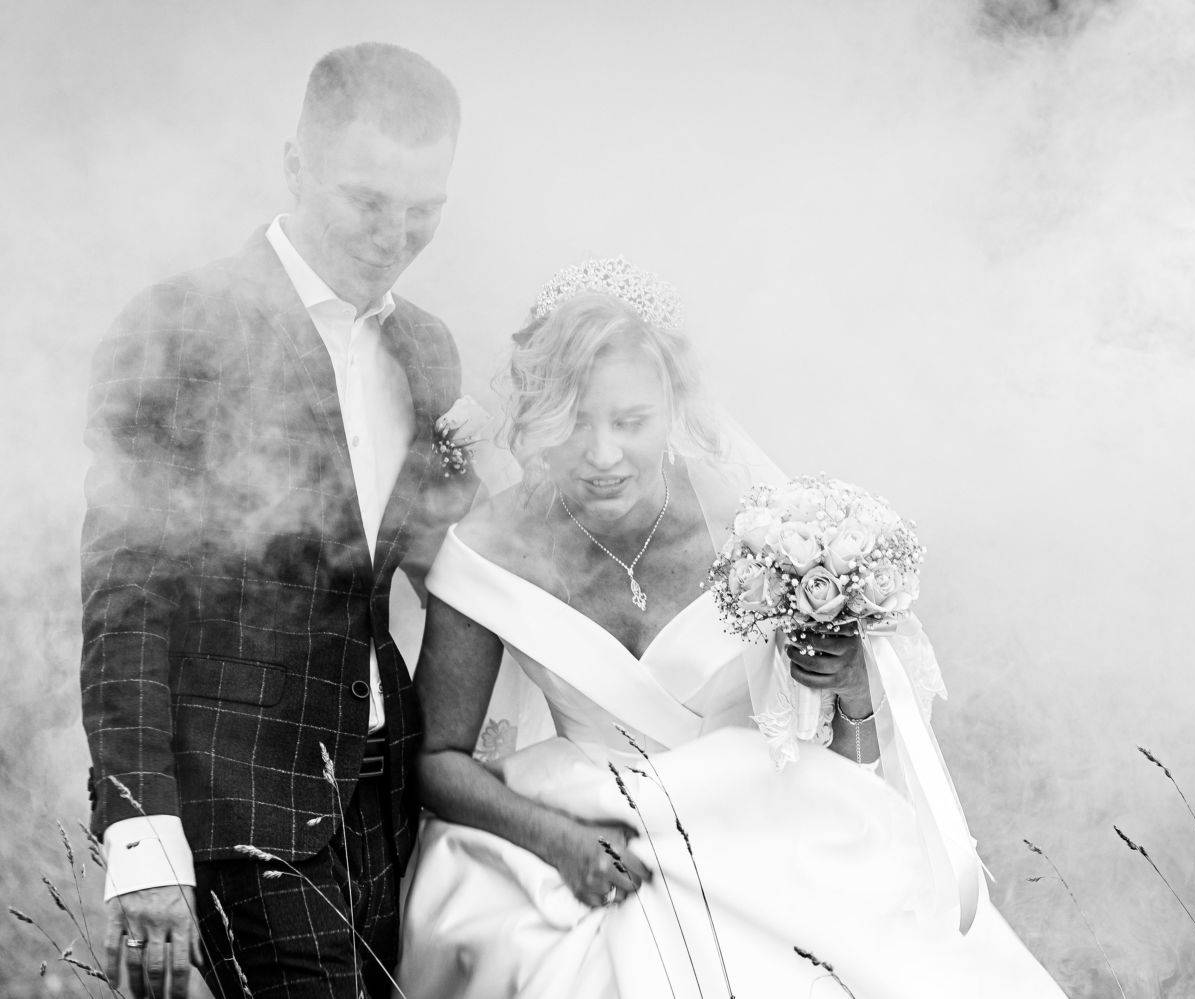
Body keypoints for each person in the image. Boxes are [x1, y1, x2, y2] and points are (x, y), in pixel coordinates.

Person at [396, 259, 1069, 997]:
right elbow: (436, 759)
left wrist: (850, 684)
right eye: (574, 421)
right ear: (537, 417)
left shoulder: (759, 527)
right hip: (598, 826)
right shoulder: (489, 550)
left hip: (768, 820)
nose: (602, 454)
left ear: (673, 408)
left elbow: (852, 759)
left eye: (630, 422)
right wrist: (559, 841)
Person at [79, 43, 476, 999]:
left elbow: (440, 568)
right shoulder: (179, 326)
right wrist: (143, 838)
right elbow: (127, 595)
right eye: (367, 202)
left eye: (422, 209)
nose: (394, 235)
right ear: (295, 166)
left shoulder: (427, 348)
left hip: (387, 794)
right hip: (241, 799)